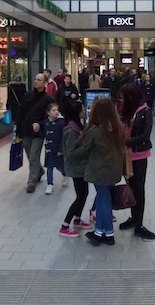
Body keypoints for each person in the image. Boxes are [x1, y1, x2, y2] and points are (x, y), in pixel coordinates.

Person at [81, 97, 125, 246]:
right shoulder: (118, 127)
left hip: (100, 171)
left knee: (103, 200)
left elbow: (85, 147)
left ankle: (109, 234)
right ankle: (99, 231)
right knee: (102, 199)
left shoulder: (95, 130)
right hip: (114, 169)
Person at [119, 84, 155, 240]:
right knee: (131, 187)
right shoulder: (127, 110)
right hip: (125, 156)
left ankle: (138, 223)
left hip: (139, 156)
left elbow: (146, 134)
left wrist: (128, 142)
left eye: (124, 97)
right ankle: (134, 218)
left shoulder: (145, 112)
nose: (122, 100)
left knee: (138, 189)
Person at [16, 73, 55, 193]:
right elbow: (20, 112)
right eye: (35, 79)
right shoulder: (27, 95)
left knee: (34, 155)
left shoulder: (48, 99)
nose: (36, 81)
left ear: (44, 83)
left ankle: (31, 181)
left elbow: (51, 116)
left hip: (39, 133)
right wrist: (18, 130)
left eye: (39, 80)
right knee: (29, 154)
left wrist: (40, 124)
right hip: (26, 130)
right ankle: (40, 170)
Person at [59, 101, 93, 237]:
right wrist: (86, 148)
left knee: (84, 193)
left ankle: (77, 219)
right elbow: (71, 152)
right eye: (82, 109)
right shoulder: (71, 130)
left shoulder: (78, 126)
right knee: (80, 195)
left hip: (81, 167)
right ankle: (65, 225)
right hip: (76, 168)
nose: (84, 111)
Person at [42, 103, 69, 195]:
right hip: (49, 149)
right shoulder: (45, 122)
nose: (56, 112)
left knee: (60, 166)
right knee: (49, 167)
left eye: (57, 110)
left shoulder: (61, 122)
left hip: (58, 149)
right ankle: (50, 184)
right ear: (48, 112)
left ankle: (65, 174)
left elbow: (63, 137)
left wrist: (61, 149)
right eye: (53, 110)